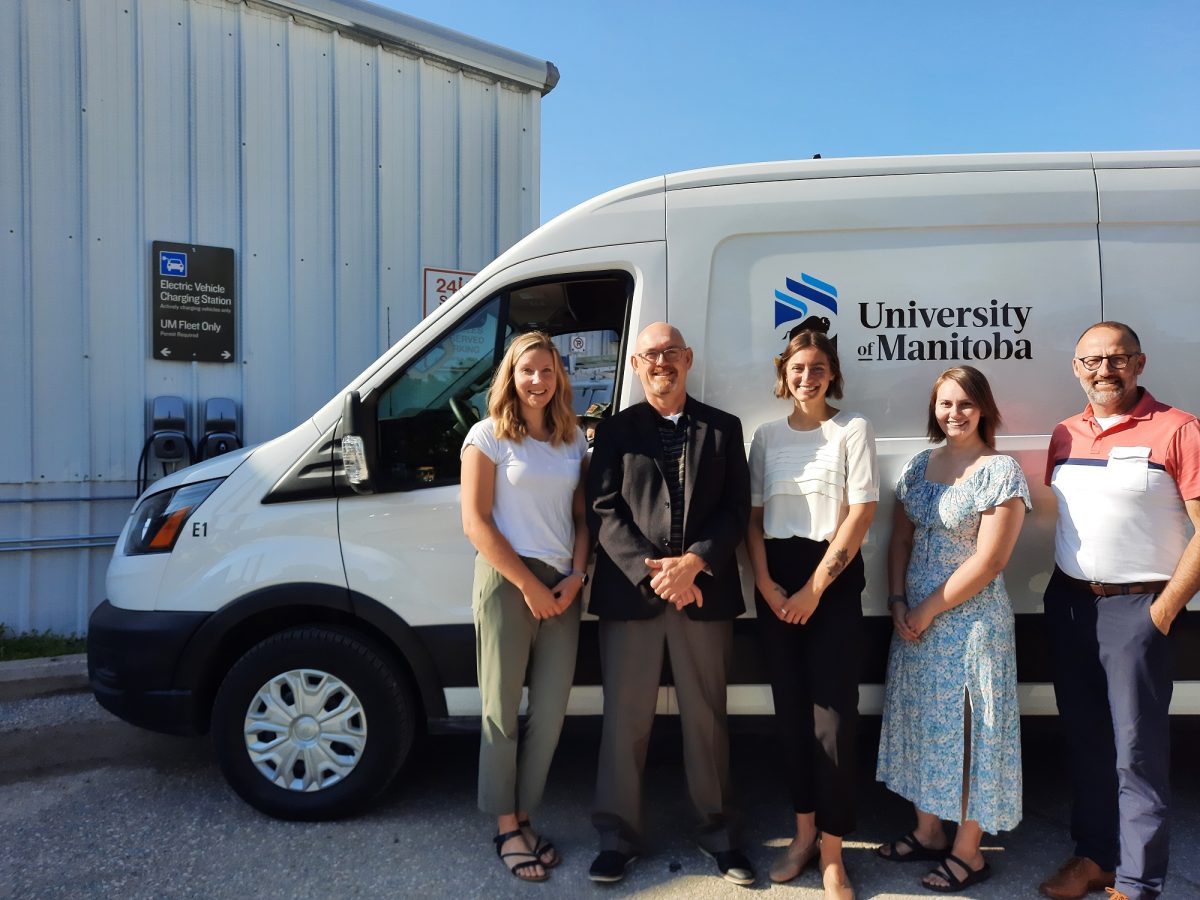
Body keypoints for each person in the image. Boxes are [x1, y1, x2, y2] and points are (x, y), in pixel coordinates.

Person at [585, 322, 755, 886]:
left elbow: (736, 509)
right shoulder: (613, 431)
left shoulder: (724, 429)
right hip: (635, 595)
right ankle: (616, 838)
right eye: (652, 355)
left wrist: (695, 562)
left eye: (672, 353)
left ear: (689, 359)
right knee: (624, 724)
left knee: (706, 721)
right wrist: (652, 572)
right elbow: (603, 508)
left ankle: (721, 836)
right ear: (636, 365)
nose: (663, 362)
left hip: (701, 592)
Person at [1037, 322, 1200, 900]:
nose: (1104, 370)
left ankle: (1137, 883)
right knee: (1084, 742)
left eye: (1117, 359)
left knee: (1137, 755)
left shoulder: (1178, 428)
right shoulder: (1065, 433)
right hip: (1073, 605)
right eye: (1091, 361)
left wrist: (1164, 611)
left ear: (1139, 363)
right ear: (1076, 368)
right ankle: (1095, 859)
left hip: (1139, 609)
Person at [875, 365, 1029, 893]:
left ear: (984, 407)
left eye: (965, 404)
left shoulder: (1000, 470)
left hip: (970, 625)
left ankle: (969, 852)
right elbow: (899, 541)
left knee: (968, 732)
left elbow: (989, 562)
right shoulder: (920, 465)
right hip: (916, 619)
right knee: (924, 724)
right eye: (945, 404)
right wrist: (898, 600)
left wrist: (926, 610)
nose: (954, 414)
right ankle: (928, 833)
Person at [744, 329, 878, 900]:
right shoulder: (766, 437)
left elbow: (860, 513)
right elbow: (752, 520)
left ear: (832, 373)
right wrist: (769, 586)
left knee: (833, 721)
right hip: (775, 576)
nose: (807, 377)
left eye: (818, 367)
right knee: (791, 715)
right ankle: (801, 836)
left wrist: (813, 590)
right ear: (783, 374)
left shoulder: (852, 430)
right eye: (797, 367)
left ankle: (831, 854)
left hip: (831, 580)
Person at [460, 331, 590, 883]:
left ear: (559, 377)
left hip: (563, 583)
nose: (537, 381)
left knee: (552, 711)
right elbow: (476, 523)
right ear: (509, 378)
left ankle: (528, 813)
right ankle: (507, 825)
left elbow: (585, 519)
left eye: (546, 371)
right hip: (506, 580)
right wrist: (528, 586)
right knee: (501, 709)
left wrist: (575, 575)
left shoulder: (572, 439)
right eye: (526, 371)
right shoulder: (487, 436)